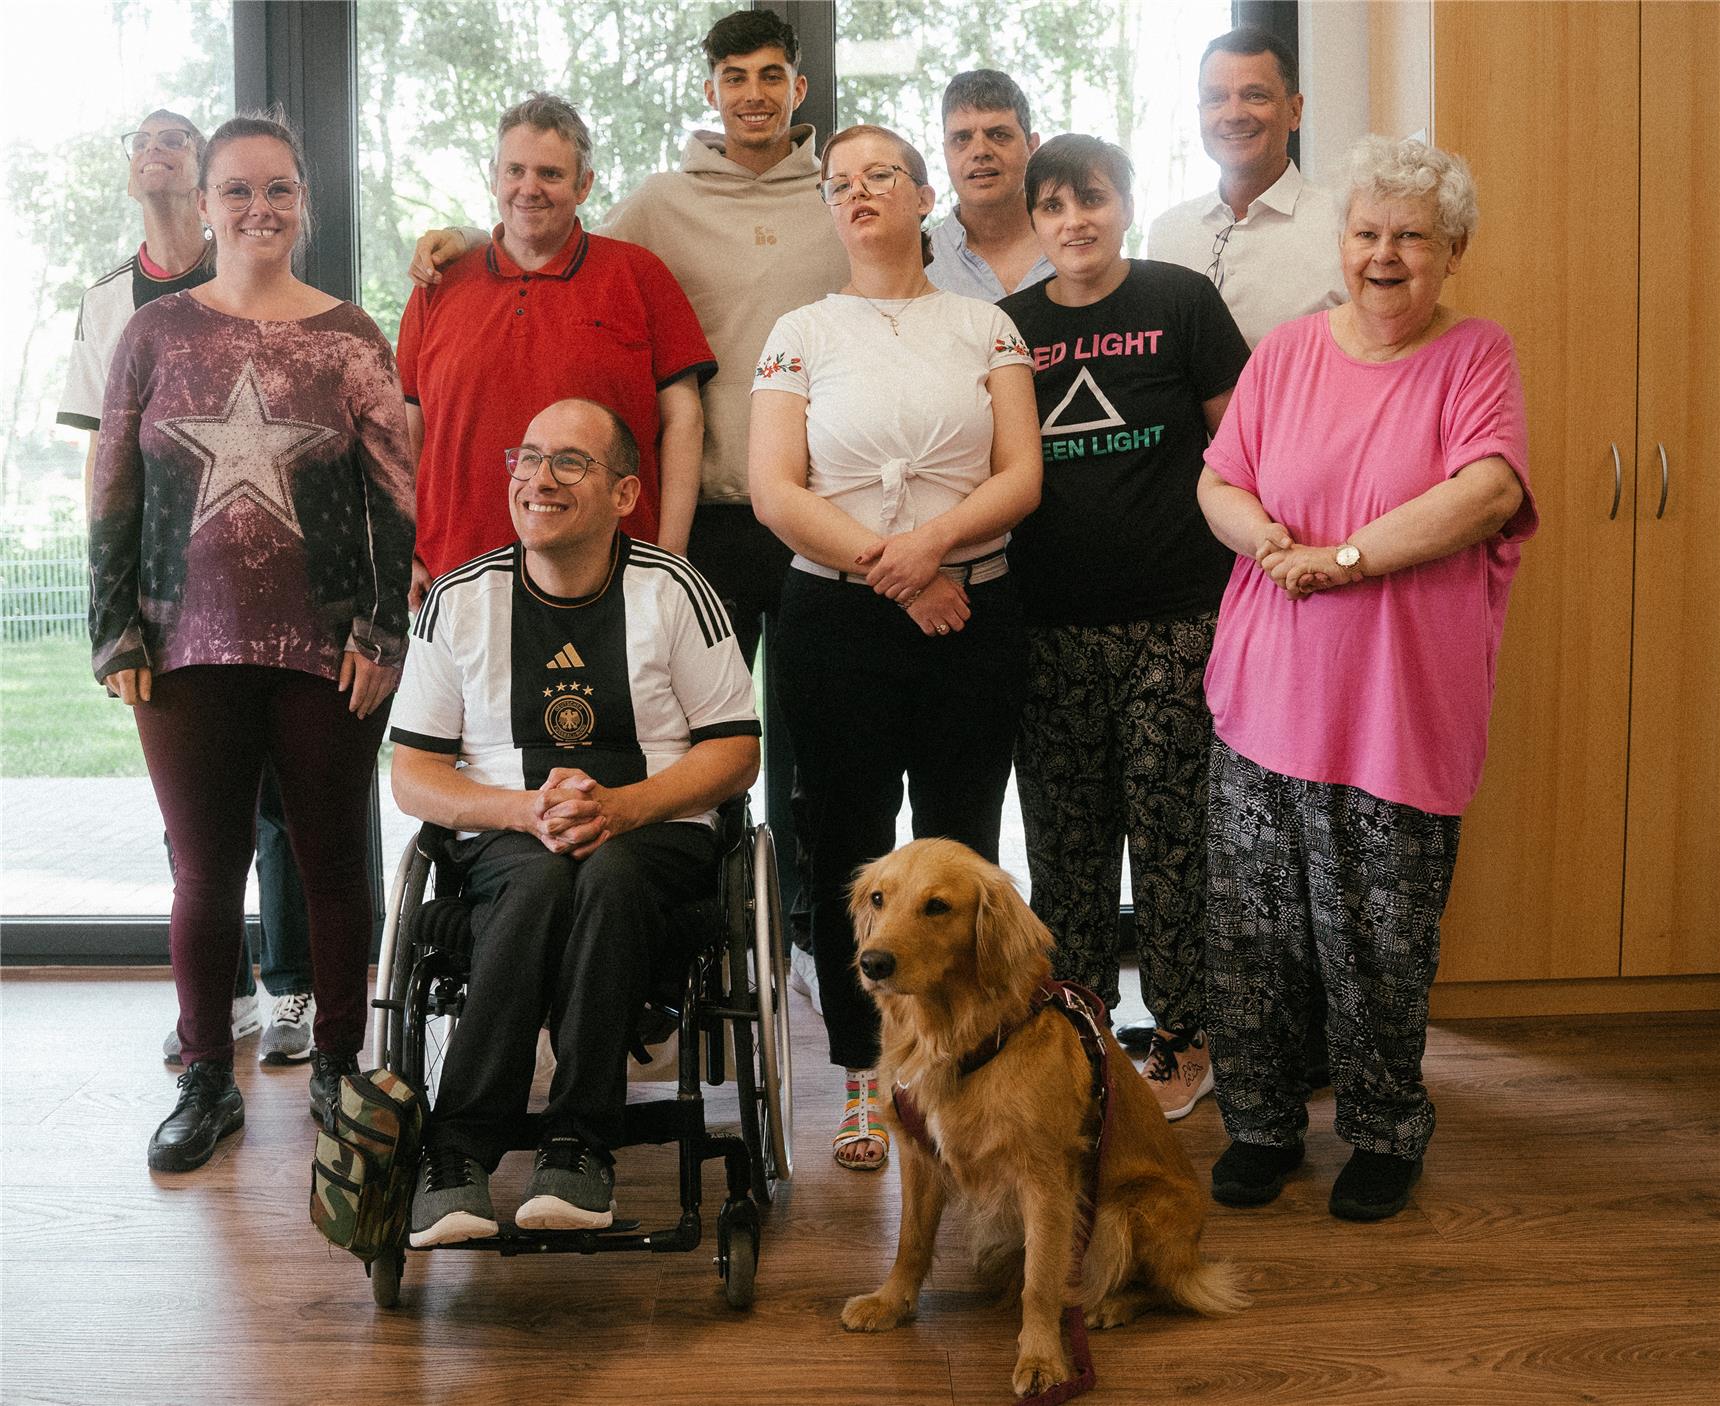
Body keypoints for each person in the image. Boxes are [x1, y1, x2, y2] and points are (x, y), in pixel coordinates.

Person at [1196, 136, 1535, 1221]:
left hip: (1395, 708)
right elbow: (1220, 480)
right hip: (1264, 695)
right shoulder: (1288, 351)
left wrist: (1339, 560)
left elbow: (1484, 491)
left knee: (1378, 941)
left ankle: (1385, 1130)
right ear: (1339, 241)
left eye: (1409, 237)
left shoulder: (1475, 354)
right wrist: (1264, 544)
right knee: (1252, 934)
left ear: (1452, 251)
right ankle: (1258, 1124)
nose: (1383, 255)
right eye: (1365, 232)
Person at [88, 111, 415, 1172]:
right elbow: (110, 487)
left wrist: (380, 625)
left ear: (303, 203)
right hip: (181, 644)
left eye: (278, 189)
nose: (258, 209)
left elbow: (398, 495)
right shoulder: (155, 334)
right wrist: (113, 626)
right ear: (209, 200)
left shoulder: (352, 334)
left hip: (328, 645)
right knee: (202, 867)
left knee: (331, 863)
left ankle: (336, 1063)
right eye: (238, 190)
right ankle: (203, 1079)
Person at [390, 397, 759, 1245]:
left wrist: (622, 807)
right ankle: (457, 1158)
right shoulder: (460, 598)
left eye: (569, 462)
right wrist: (523, 811)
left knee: (611, 870)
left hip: (656, 835)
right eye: (527, 456)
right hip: (508, 838)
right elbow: (412, 774)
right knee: (541, 876)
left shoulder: (674, 591)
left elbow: (737, 749)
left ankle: (579, 1149)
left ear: (627, 493)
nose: (537, 478)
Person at [749, 125, 1041, 1170]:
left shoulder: (984, 325)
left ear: (925, 198)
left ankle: (966, 1065)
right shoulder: (801, 330)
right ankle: (867, 1083)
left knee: (959, 849)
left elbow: (1020, 477)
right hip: (835, 623)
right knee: (849, 851)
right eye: (840, 182)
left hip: (974, 614)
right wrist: (895, 569)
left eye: (882, 174)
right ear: (829, 209)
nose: (859, 191)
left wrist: (929, 553)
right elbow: (778, 490)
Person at [58, 109, 317, 1067]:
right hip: (173, 603)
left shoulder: (249, 285)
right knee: (200, 824)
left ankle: (292, 989)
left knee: (289, 809)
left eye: (178, 137)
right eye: (145, 143)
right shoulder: (114, 304)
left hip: (284, 604)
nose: (159, 152)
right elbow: (104, 463)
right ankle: (217, 1005)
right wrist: (112, 610)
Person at [999, 135, 1249, 1122]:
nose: (1075, 220)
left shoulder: (1179, 300)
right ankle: (1081, 1035)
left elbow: (1241, 445)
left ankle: (1185, 1035)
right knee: (1065, 849)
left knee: (1171, 836)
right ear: (1035, 220)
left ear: (1125, 200)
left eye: (1091, 198)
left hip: (1175, 621)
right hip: (1048, 628)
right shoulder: (1005, 326)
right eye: (1053, 206)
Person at [396, 92, 714, 603]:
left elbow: (684, 422)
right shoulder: (438, 284)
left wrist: (669, 560)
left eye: (550, 174)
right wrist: (406, 546)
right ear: (493, 177)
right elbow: (407, 432)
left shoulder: (639, 276)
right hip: (457, 574)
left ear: (584, 184)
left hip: (611, 577)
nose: (529, 189)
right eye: (515, 171)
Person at [1147, 26, 1346, 349]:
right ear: (1200, 114)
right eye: (1216, 99)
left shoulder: (1344, 226)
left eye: (1255, 96)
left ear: (1294, 111)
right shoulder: (1167, 234)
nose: (1234, 114)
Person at [925, 70, 1054, 301]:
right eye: (962, 138)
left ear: (1032, 146)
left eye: (998, 135)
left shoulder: (1075, 245)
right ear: (945, 151)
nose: (980, 151)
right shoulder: (917, 262)